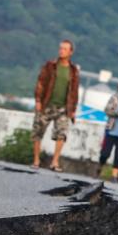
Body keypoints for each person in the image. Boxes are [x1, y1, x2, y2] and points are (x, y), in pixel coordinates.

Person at [32, 39, 79, 171]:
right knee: (38, 131)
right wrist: (38, 101)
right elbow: (41, 83)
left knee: (61, 134)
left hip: (63, 108)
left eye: (65, 49)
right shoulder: (50, 66)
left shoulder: (73, 70)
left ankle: (55, 161)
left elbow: (74, 91)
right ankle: (36, 160)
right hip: (47, 104)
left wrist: (73, 109)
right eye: (60, 48)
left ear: (71, 52)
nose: (61, 51)